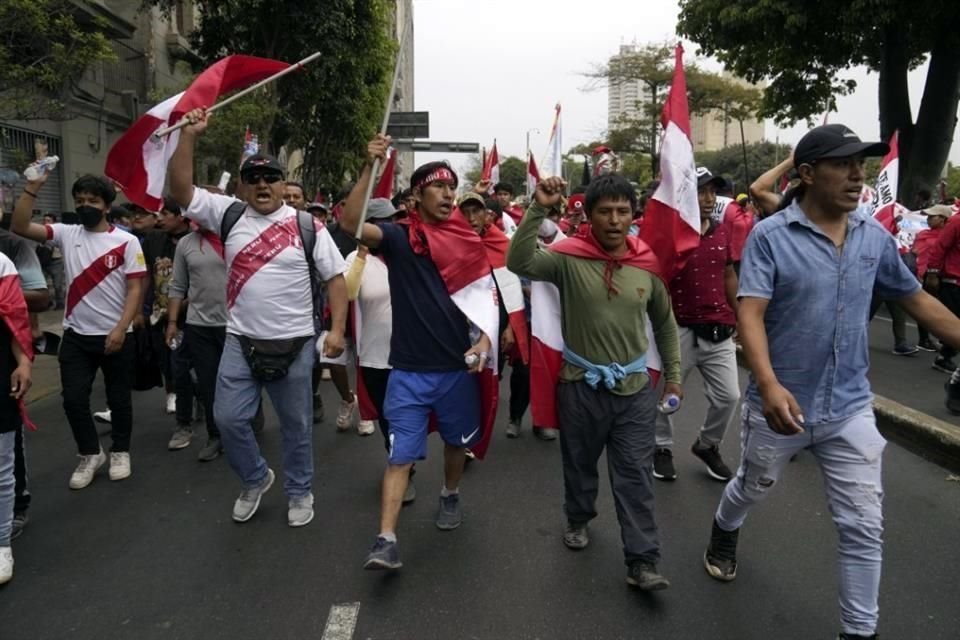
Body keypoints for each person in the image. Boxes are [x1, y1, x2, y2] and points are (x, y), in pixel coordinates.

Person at [703, 124, 960, 640]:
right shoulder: (771, 236)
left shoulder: (873, 236)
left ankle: (859, 631)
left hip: (849, 409)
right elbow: (749, 313)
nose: (856, 174)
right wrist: (769, 383)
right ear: (806, 174)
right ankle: (725, 528)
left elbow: (918, 301)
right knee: (752, 486)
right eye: (843, 164)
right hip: (780, 405)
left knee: (864, 525)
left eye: (860, 164)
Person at [169, 107, 348, 528]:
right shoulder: (227, 214)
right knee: (228, 419)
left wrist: (337, 330)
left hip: (297, 344)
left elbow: (336, 280)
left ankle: (300, 491)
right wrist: (189, 136)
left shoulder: (308, 226)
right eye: (254, 179)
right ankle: (254, 478)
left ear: (284, 185)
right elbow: (181, 190)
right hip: (240, 341)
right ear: (245, 187)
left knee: (296, 427)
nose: (263, 185)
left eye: (272, 178)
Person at [507, 173, 682, 591]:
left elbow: (665, 324)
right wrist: (538, 206)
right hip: (580, 387)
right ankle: (579, 516)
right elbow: (519, 262)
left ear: (633, 214)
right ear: (589, 214)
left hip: (635, 391)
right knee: (580, 465)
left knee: (634, 476)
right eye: (606, 211)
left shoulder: (647, 265)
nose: (615, 220)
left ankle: (643, 560)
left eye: (623, 211)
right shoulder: (568, 258)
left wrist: (673, 376)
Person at [340, 135, 496, 571]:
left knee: (453, 443)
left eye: (452, 186)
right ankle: (385, 539)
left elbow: (487, 300)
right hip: (406, 372)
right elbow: (351, 223)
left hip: (455, 372)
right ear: (416, 196)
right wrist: (369, 166)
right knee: (399, 456)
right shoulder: (398, 237)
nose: (448, 194)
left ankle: (449, 494)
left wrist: (484, 340)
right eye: (438, 186)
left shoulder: (468, 240)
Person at [11, 173, 146, 489]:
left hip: (115, 336)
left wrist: (121, 328)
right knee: (72, 400)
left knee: (119, 399)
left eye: (93, 201)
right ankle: (89, 453)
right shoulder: (66, 234)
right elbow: (19, 226)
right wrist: (32, 187)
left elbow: (135, 289)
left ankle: (120, 451)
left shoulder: (127, 242)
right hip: (76, 335)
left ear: (106, 206)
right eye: (80, 200)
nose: (86, 206)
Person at [653, 167, 739, 483]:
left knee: (729, 397)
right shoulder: (670, 234)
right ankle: (660, 447)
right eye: (701, 191)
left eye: (712, 191)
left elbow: (728, 273)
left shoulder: (720, 231)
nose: (707, 198)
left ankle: (707, 445)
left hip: (719, 329)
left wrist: (738, 313)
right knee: (666, 399)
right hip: (678, 329)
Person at [460, 192, 533, 439]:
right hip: (464, 323)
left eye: (476, 211)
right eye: (465, 212)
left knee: (510, 372)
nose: (471, 218)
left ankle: (514, 416)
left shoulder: (501, 244)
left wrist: (510, 327)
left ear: (487, 215)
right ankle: (469, 432)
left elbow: (510, 290)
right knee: (471, 375)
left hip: (498, 322)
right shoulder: (452, 243)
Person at [0, 211, 47, 540]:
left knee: (7, 443)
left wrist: (24, 360)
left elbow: (39, 298)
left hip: (8, 357)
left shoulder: (11, 252)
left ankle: (15, 507)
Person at [0, 251, 34, 584]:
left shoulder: (1, 264)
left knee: (1, 465)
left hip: (1, 376)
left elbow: (16, 320)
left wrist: (24, 363)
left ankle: (1, 543)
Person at [912, 204, 952, 352]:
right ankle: (924, 339)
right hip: (928, 276)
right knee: (926, 308)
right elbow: (916, 253)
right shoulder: (923, 234)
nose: (928, 219)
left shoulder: (949, 235)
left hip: (946, 276)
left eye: (932, 217)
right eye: (928, 217)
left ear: (943, 219)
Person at [924, 205, 960, 373]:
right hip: (953, 282)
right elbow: (940, 247)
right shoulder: (956, 222)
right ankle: (944, 357)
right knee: (954, 321)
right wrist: (932, 273)